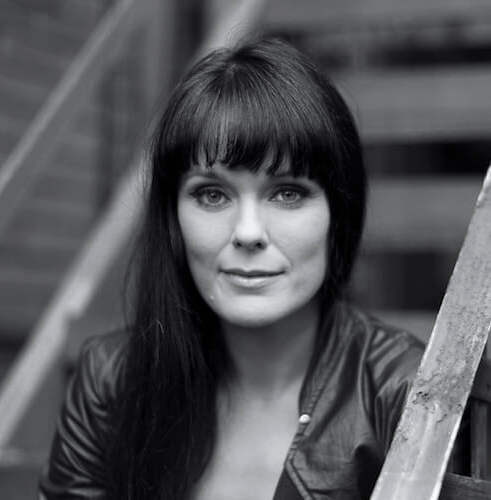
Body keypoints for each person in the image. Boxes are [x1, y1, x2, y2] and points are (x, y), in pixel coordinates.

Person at [39, 37, 425, 499]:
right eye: (212, 195)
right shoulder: (112, 382)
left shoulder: (404, 392)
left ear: (337, 215)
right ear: (173, 219)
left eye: (287, 192)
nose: (247, 232)